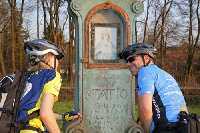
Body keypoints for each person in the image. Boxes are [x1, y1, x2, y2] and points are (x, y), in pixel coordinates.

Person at [119, 43, 188, 133]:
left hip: (167, 128)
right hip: (183, 126)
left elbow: (145, 110)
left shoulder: (145, 72)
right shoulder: (163, 74)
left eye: (132, 59)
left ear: (146, 58)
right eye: (126, 61)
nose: (128, 64)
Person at [16, 39, 81, 133]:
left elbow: (31, 111)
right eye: (56, 58)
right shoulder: (51, 75)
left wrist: (62, 117)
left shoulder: (22, 77)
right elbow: (45, 114)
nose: (58, 62)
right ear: (47, 57)